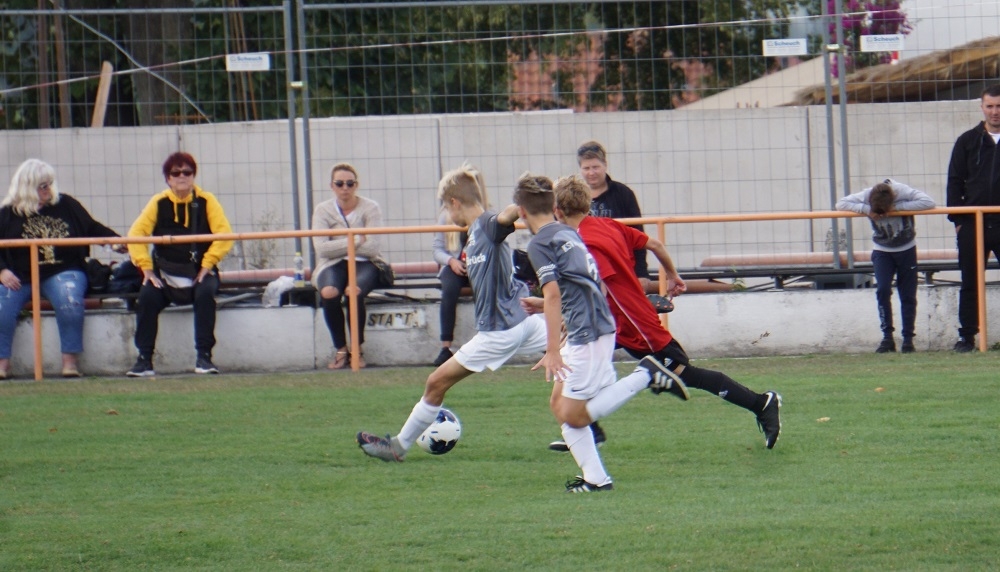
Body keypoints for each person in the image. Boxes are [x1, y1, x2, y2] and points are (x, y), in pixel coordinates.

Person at [532, 175, 782, 452]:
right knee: (574, 364)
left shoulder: (584, 243)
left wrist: (552, 308)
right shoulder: (608, 225)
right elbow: (655, 245)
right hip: (614, 325)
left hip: (635, 326)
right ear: (588, 203)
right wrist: (673, 276)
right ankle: (588, 429)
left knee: (685, 374)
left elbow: (596, 289)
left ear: (557, 210)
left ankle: (762, 403)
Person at [355, 164, 549, 461]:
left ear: (455, 203)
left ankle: (397, 447)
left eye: (446, 207)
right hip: (523, 321)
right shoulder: (475, 233)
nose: (447, 214)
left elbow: (506, 216)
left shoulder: (486, 225)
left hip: (500, 330)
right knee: (574, 353)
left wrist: (524, 204)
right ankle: (591, 414)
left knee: (436, 382)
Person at [514, 173, 685, 493]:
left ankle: (647, 374)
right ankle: (595, 477)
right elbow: (582, 283)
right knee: (558, 403)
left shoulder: (540, 243)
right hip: (594, 325)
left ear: (521, 212)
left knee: (574, 415)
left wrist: (552, 349)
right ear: (553, 206)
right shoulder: (567, 232)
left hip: (588, 331)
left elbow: (554, 293)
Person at [0, 159, 125, 378]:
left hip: (63, 270)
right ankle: (2, 365)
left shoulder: (66, 204)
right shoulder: (7, 213)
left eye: (50, 183)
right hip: (20, 275)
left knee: (69, 300)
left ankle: (70, 363)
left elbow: (91, 227)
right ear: (27, 186)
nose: (48, 190)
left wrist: (115, 241)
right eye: (42, 185)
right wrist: (2, 271)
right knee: (2, 307)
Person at [125, 152, 233, 377]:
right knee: (147, 297)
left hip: (200, 272)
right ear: (168, 178)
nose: (182, 176)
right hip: (164, 274)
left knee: (205, 295)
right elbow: (136, 234)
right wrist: (146, 269)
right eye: (176, 173)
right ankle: (144, 359)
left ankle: (204, 357)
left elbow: (224, 235)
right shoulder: (158, 202)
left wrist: (207, 265)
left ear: (194, 176)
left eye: (187, 172)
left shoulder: (207, 201)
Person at [837, 179, 935, 354]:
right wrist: (866, 209)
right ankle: (887, 337)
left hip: (907, 250)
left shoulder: (901, 191)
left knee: (908, 294)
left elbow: (929, 202)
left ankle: (908, 339)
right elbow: (841, 204)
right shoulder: (867, 195)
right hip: (882, 251)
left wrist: (897, 208)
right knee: (882, 290)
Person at [312, 162, 384, 369]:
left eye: (350, 183)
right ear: (331, 186)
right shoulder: (322, 210)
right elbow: (322, 249)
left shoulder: (370, 207)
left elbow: (373, 247)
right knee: (328, 292)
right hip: (332, 263)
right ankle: (341, 349)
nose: (345, 188)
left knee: (354, 292)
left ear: (356, 185)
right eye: (340, 183)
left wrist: (339, 243)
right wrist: (356, 239)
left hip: (366, 262)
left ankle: (357, 349)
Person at [947, 84, 1000, 353]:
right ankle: (967, 337)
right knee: (970, 280)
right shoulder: (967, 141)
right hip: (972, 223)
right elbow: (954, 182)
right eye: (990, 106)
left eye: (999, 106)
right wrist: (958, 220)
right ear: (982, 107)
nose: (995, 111)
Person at [576, 140, 650, 289]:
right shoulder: (574, 197)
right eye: (586, 168)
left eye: (596, 167)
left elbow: (638, 233)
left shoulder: (623, 194)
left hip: (621, 266)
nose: (591, 173)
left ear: (605, 165)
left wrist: (641, 272)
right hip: (585, 268)